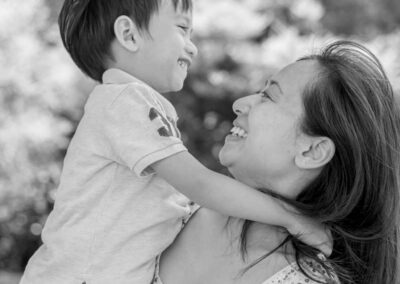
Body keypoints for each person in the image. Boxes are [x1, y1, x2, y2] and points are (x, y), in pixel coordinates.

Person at [20, 1, 331, 283]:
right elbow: (201, 184)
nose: (192, 48)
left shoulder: (127, 106)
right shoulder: (126, 102)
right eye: (182, 29)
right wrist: (291, 218)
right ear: (129, 35)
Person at [157, 41, 400, 284]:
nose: (240, 103)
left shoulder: (302, 279)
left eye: (268, 96)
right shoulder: (173, 209)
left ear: (312, 151)